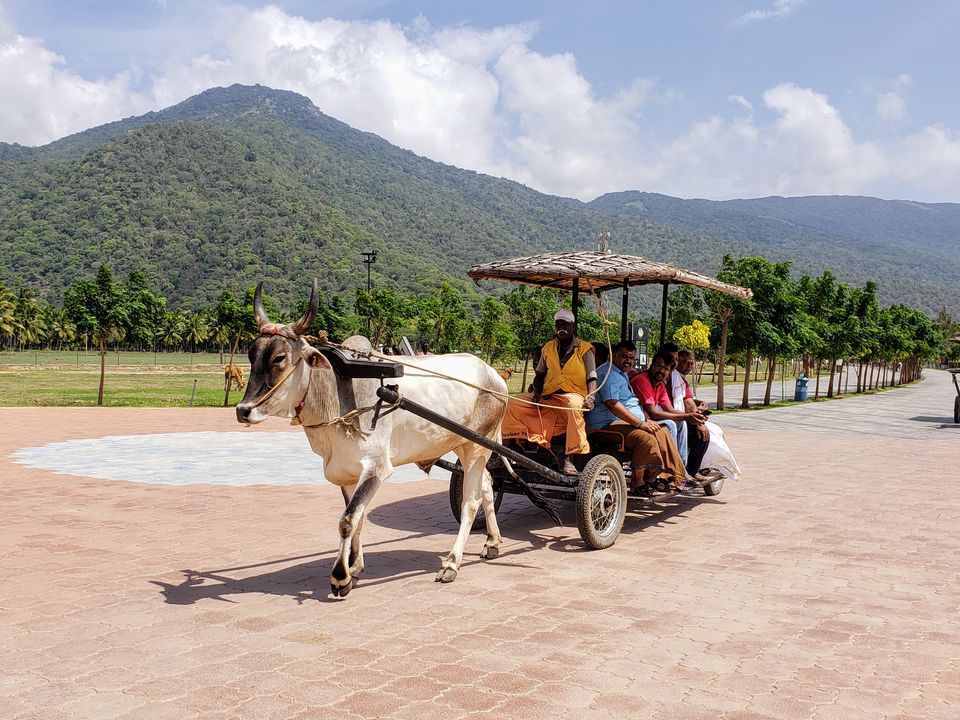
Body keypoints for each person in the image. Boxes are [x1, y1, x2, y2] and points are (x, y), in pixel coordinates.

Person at [501, 309, 597, 474]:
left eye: (565, 325)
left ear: (572, 326)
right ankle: (507, 449)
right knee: (512, 403)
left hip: (573, 395)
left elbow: (592, 377)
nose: (561, 328)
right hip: (549, 395)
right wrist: (537, 393)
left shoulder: (585, 348)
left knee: (573, 406)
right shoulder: (548, 347)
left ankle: (569, 458)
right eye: (558, 324)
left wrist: (591, 397)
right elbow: (539, 375)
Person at [585, 340, 687, 489]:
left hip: (620, 423)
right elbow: (612, 404)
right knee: (646, 438)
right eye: (624, 356)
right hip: (605, 426)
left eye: (632, 358)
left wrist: (643, 421)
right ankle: (639, 482)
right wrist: (640, 424)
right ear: (613, 356)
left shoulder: (622, 373)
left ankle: (674, 475)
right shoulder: (609, 374)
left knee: (662, 430)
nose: (628, 361)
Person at [674, 349, 713, 477]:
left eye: (691, 363)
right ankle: (691, 471)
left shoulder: (681, 379)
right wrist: (698, 423)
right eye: (684, 362)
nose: (688, 366)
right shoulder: (673, 377)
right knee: (702, 436)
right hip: (677, 418)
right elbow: (685, 402)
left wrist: (699, 405)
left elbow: (688, 399)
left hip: (684, 416)